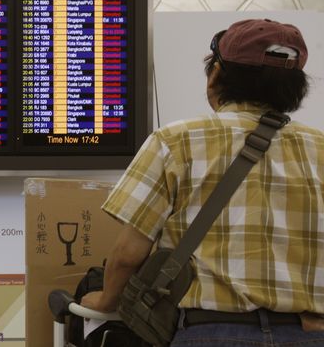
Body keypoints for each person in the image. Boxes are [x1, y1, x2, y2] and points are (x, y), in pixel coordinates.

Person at [80, 19, 324, 346]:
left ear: (217, 75)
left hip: (208, 332)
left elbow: (127, 254)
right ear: (295, 87)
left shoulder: (175, 141)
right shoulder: (320, 149)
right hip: (305, 334)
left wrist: (105, 301)